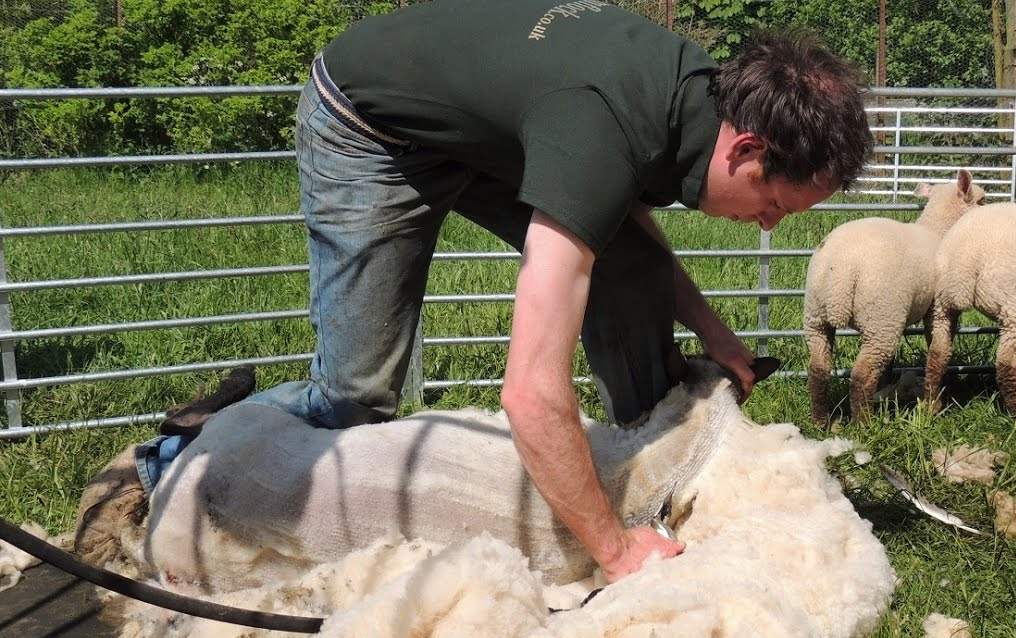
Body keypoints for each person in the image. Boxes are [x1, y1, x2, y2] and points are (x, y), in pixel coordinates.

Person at [116, 0, 873, 583]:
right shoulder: (607, 127)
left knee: (631, 267)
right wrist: (611, 556)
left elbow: (629, 234)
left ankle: (651, 472)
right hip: (371, 126)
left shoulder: (695, 102)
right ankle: (176, 456)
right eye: (776, 206)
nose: (767, 226)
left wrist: (714, 334)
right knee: (357, 391)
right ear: (746, 149)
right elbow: (529, 391)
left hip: (486, 125)